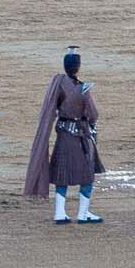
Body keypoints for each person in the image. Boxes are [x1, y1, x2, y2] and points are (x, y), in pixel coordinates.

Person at [24, 47, 103, 224]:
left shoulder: (59, 83)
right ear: (78, 67)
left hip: (63, 136)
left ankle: (59, 213)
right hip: (79, 136)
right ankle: (82, 214)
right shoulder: (83, 89)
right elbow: (93, 114)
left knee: (62, 176)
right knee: (87, 176)